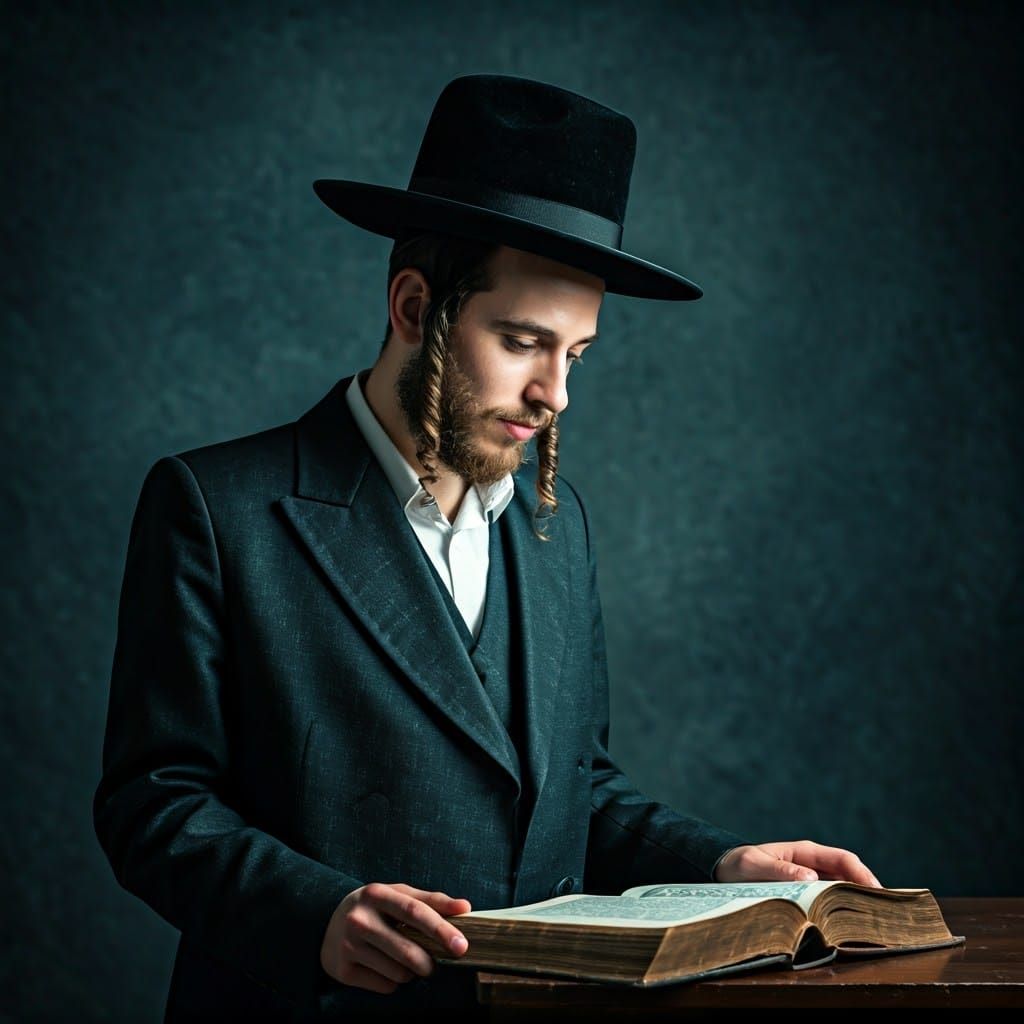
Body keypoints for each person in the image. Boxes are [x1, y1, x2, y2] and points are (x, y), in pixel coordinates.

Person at [93, 74, 880, 1021]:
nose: (556, 393)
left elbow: (575, 790)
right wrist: (316, 915)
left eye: (576, 354)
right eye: (522, 341)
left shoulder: (557, 526)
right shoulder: (218, 508)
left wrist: (720, 867)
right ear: (416, 307)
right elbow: (155, 803)